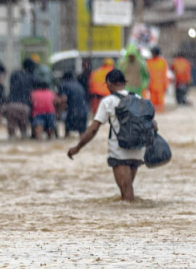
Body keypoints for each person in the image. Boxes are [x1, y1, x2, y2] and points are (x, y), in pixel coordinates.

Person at [67, 69, 157, 202]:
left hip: (120, 152)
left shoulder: (108, 102)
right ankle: (131, 220)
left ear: (108, 84)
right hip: (137, 151)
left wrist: (77, 147)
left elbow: (93, 129)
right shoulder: (137, 98)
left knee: (127, 195)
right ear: (123, 83)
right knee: (127, 192)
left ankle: (131, 221)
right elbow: (153, 124)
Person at [3, 58, 34, 139]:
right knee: (24, 133)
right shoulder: (31, 77)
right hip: (24, 106)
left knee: (11, 134)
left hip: (11, 105)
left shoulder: (14, 74)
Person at [58, 71, 88, 137]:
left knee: (67, 136)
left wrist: (59, 112)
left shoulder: (64, 85)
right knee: (82, 135)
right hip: (84, 112)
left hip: (72, 112)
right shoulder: (79, 85)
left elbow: (63, 99)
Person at [146, 47, 169, 112]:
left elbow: (164, 74)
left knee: (160, 100)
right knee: (153, 100)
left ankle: (159, 111)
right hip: (153, 85)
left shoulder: (162, 62)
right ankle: (155, 111)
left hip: (160, 85)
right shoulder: (149, 62)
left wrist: (166, 84)